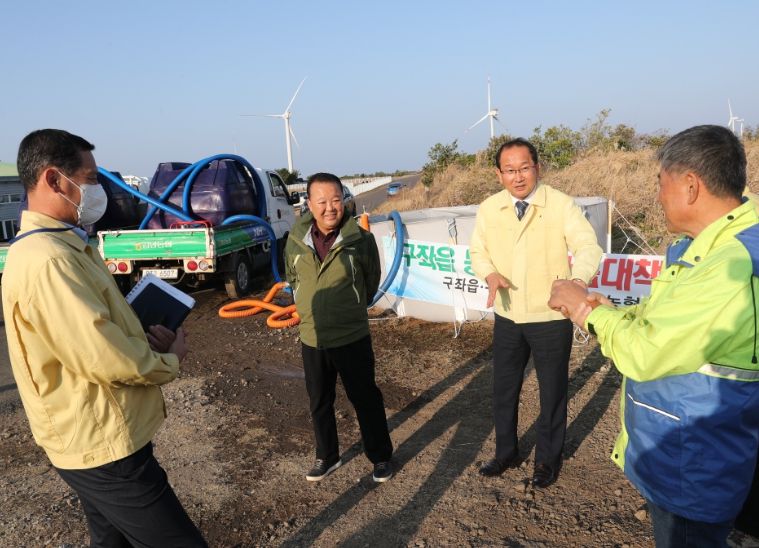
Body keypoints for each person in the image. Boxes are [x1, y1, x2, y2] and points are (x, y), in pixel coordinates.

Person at [548, 125, 759, 547]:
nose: (658, 196)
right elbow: (668, 323)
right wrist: (611, 312)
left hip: (694, 465)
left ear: (691, 186)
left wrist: (585, 310)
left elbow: (645, 353)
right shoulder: (717, 245)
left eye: (660, 183)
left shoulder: (728, 265)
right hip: (704, 451)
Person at [2, 129, 206, 547]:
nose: (99, 191)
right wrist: (169, 360)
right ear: (55, 180)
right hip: (102, 442)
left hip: (94, 432)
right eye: (91, 179)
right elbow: (101, 355)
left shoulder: (62, 245)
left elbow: (92, 328)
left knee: (112, 541)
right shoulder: (49, 260)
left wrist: (139, 333)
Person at [469, 138, 602, 488]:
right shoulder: (490, 208)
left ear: (537, 168)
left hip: (550, 316)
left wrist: (576, 282)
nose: (518, 177)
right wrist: (489, 274)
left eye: (524, 168)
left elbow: (588, 246)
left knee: (552, 391)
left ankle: (547, 460)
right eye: (510, 170)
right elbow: (478, 251)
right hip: (508, 314)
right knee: (504, 388)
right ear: (498, 174)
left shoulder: (559, 204)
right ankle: (505, 452)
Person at [284, 172, 394, 483]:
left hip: (351, 335)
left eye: (336, 200)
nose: (330, 207)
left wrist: (350, 306)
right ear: (309, 204)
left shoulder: (360, 240)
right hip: (313, 336)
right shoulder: (294, 240)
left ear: (343, 201)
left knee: (365, 398)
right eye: (322, 201)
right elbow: (292, 277)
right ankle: (327, 456)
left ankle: (380, 456)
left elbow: (370, 282)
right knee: (319, 401)